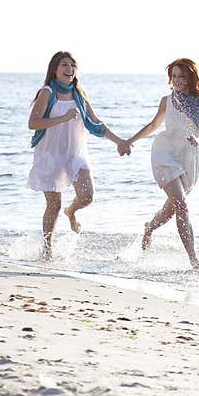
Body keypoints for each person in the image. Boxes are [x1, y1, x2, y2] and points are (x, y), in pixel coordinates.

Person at [27, 51, 130, 258]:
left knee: (87, 196)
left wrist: (120, 141)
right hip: (51, 154)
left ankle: (71, 211)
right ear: (54, 69)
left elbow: (95, 123)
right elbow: (33, 123)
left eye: (72, 66)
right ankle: (47, 249)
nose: (69, 70)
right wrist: (63, 118)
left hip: (75, 154)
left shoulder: (78, 93)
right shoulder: (47, 92)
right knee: (53, 205)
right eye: (64, 65)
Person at [121, 58, 199, 269]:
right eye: (175, 76)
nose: (178, 80)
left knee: (171, 210)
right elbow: (153, 125)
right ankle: (193, 259)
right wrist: (129, 141)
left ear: (192, 77)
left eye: (183, 76)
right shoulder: (167, 101)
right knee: (182, 205)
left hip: (189, 158)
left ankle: (149, 228)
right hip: (165, 155)